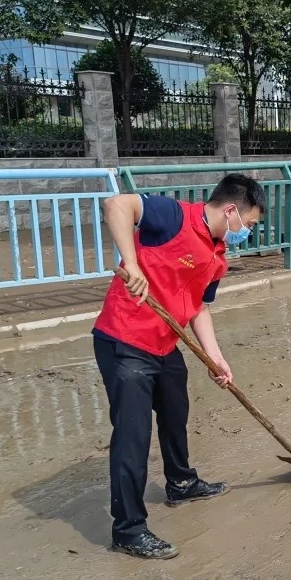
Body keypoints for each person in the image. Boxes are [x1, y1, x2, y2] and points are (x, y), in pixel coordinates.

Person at [92, 174, 266, 560]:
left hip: (165, 343)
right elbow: (116, 205)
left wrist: (215, 356)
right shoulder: (172, 216)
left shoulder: (218, 255)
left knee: (175, 412)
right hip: (125, 340)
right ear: (231, 210)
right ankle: (129, 528)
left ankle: (181, 483)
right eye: (249, 224)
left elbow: (199, 307)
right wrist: (133, 265)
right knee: (133, 436)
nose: (247, 232)